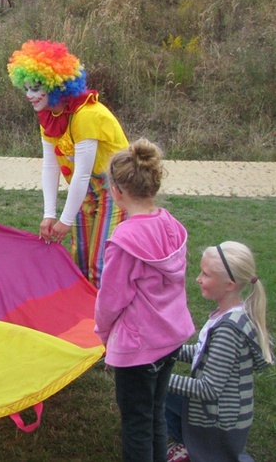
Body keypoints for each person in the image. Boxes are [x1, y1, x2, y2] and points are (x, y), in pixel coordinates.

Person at [94, 138, 195, 462]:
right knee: (154, 413)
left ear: (117, 191)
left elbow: (111, 301)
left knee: (137, 422)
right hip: (169, 339)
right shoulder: (173, 226)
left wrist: (104, 334)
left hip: (139, 348)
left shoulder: (124, 240)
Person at [7, 40, 128, 287]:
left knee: (100, 266)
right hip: (85, 192)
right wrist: (49, 215)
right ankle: (85, 320)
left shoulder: (87, 115)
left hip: (115, 191)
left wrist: (65, 220)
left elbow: (83, 174)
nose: (29, 96)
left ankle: (105, 321)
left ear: (58, 85)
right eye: (26, 88)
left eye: (36, 88)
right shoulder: (48, 117)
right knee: (81, 262)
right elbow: (50, 167)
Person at [165, 241, 273, 462]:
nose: (198, 279)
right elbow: (202, 352)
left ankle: (196, 448)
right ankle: (188, 443)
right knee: (161, 391)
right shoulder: (230, 313)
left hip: (219, 421)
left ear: (229, 284)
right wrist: (166, 352)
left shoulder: (228, 331)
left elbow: (208, 389)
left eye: (206, 274)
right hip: (224, 412)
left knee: (226, 456)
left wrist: (159, 376)